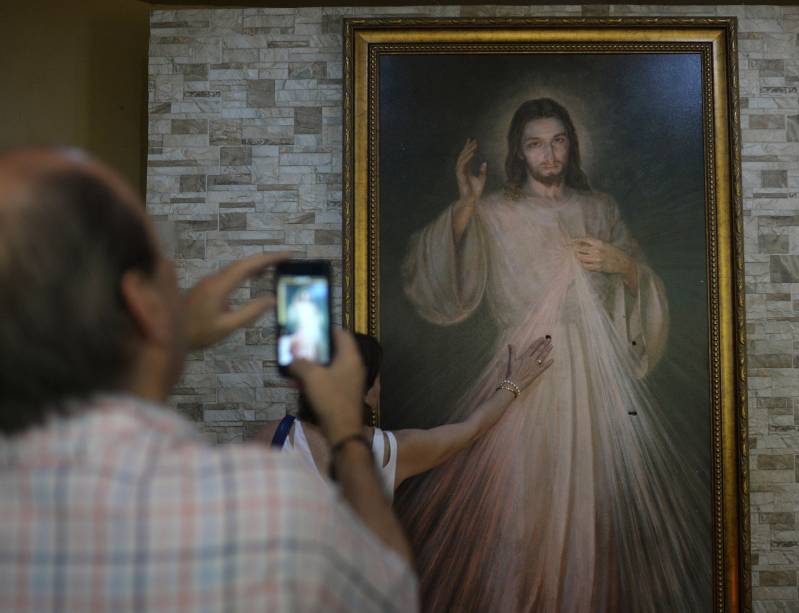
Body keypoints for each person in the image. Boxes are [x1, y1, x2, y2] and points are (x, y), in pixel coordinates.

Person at [0, 148, 417, 612]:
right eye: (165, 270)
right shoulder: (268, 510)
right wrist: (346, 432)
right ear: (142, 304)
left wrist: (161, 341)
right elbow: (391, 594)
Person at [398, 98, 709, 611]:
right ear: (519, 152)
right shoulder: (495, 211)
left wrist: (623, 266)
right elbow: (440, 283)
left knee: (595, 504)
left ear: (572, 145)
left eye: (559, 140)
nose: (550, 153)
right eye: (536, 143)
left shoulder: (599, 208)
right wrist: (466, 206)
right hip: (525, 367)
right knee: (518, 509)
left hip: (594, 373)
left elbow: (642, 283)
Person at [258, 333, 553, 498]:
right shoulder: (392, 453)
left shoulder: (275, 437)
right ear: (365, 391)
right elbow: (472, 428)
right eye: (377, 378)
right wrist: (514, 383)